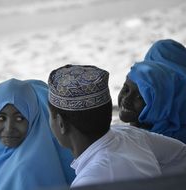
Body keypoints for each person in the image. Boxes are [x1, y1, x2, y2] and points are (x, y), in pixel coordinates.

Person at [47, 64, 186, 188]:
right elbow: (180, 155)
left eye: (49, 115)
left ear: (60, 123)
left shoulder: (90, 181)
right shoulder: (131, 134)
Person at [0, 79, 75, 190]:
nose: (9, 128)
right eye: (1, 118)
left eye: (19, 118)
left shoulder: (24, 172)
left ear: (33, 119)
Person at [118, 39, 186, 143]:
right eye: (125, 89)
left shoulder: (164, 143)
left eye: (140, 97)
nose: (127, 99)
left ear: (158, 105)